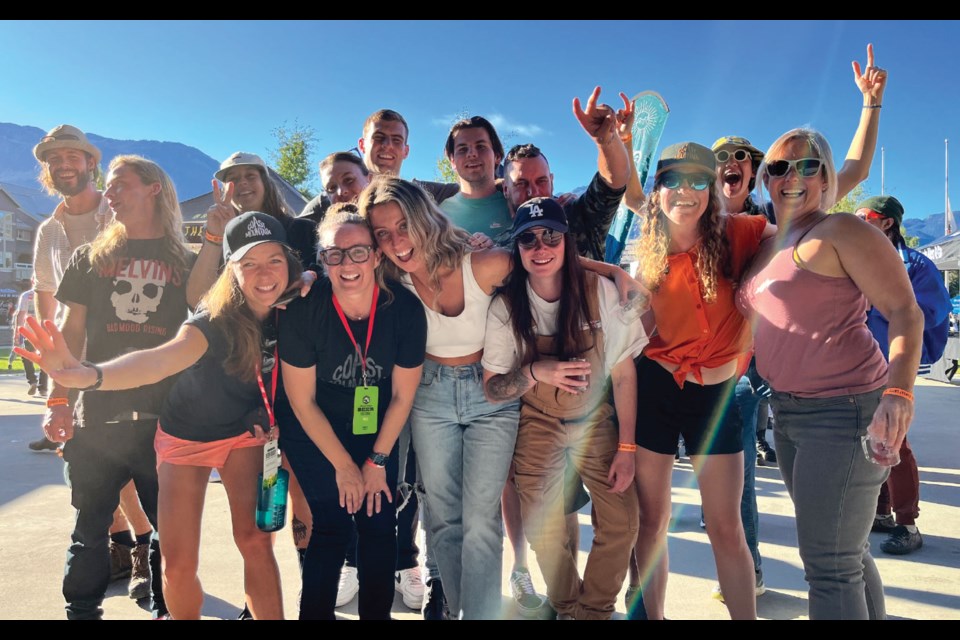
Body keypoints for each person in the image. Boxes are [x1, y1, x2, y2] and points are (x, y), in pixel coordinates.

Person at [21, 211, 297, 619]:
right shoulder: (212, 321)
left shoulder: (296, 307)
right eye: (249, 263)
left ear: (290, 264)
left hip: (245, 436)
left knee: (256, 543)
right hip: (186, 437)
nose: (264, 273)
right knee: (180, 561)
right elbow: (156, 362)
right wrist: (85, 375)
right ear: (230, 269)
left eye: (274, 260)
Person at [738, 129, 923, 619]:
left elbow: (906, 311)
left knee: (829, 566)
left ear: (825, 177)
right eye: (778, 167)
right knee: (847, 553)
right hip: (789, 413)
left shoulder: (842, 231)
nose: (791, 177)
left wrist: (900, 391)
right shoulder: (770, 240)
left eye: (807, 165)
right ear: (766, 180)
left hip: (845, 413)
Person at [21, 155, 213, 619]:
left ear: (153, 189)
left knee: (172, 535)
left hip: (164, 423)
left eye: (121, 184)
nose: (110, 193)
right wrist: (58, 399)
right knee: (88, 531)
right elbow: (71, 335)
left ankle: (168, 610)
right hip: (98, 419)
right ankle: (81, 611)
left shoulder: (184, 262)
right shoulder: (90, 259)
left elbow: (205, 314)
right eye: (109, 185)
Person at [631, 142, 777, 620]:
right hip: (654, 386)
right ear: (658, 192)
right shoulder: (647, 247)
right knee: (650, 523)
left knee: (725, 527)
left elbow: (796, 235)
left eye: (697, 180)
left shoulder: (743, 232)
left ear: (712, 189)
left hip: (715, 397)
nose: (685, 190)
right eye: (673, 180)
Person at [482, 197, 647, 619]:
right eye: (529, 239)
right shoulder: (507, 306)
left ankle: (593, 611)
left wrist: (627, 448)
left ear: (566, 240)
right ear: (517, 249)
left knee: (623, 521)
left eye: (551, 236)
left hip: (596, 420)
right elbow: (494, 389)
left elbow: (625, 375)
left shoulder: (601, 292)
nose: (541, 247)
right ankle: (568, 606)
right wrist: (538, 371)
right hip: (537, 423)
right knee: (543, 527)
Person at [279, 205, 426, 619]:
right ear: (321, 259)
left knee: (379, 524)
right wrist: (345, 466)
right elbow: (302, 402)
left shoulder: (405, 311)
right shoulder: (305, 308)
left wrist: (375, 462)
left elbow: (402, 396)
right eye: (334, 254)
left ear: (377, 256)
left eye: (358, 252)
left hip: (376, 423)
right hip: (314, 427)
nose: (347, 264)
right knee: (332, 525)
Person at [857, 195, 951, 556]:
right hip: (858, 365)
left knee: (894, 442)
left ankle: (908, 523)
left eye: (865, 216)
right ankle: (881, 513)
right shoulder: (854, 258)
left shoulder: (916, 265)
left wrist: (879, 307)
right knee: (869, 442)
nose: (858, 221)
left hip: (893, 366)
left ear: (887, 223)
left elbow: (928, 311)